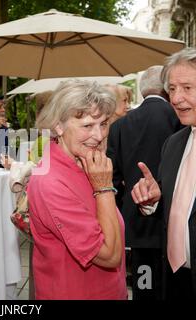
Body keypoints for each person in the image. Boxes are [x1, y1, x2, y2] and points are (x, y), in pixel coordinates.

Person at [27, 79, 127, 299]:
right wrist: (104, 189)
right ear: (58, 126)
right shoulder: (50, 181)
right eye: (87, 126)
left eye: (103, 123)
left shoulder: (87, 161)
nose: (100, 136)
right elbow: (110, 256)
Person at [107, 65, 182, 300]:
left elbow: (112, 177)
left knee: (144, 286)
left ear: (142, 92)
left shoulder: (119, 126)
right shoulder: (180, 119)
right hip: (175, 222)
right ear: (167, 90)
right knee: (174, 287)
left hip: (137, 226)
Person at [131, 48, 196, 299]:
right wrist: (153, 200)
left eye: (187, 88)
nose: (177, 98)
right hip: (174, 277)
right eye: (172, 89)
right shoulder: (173, 143)